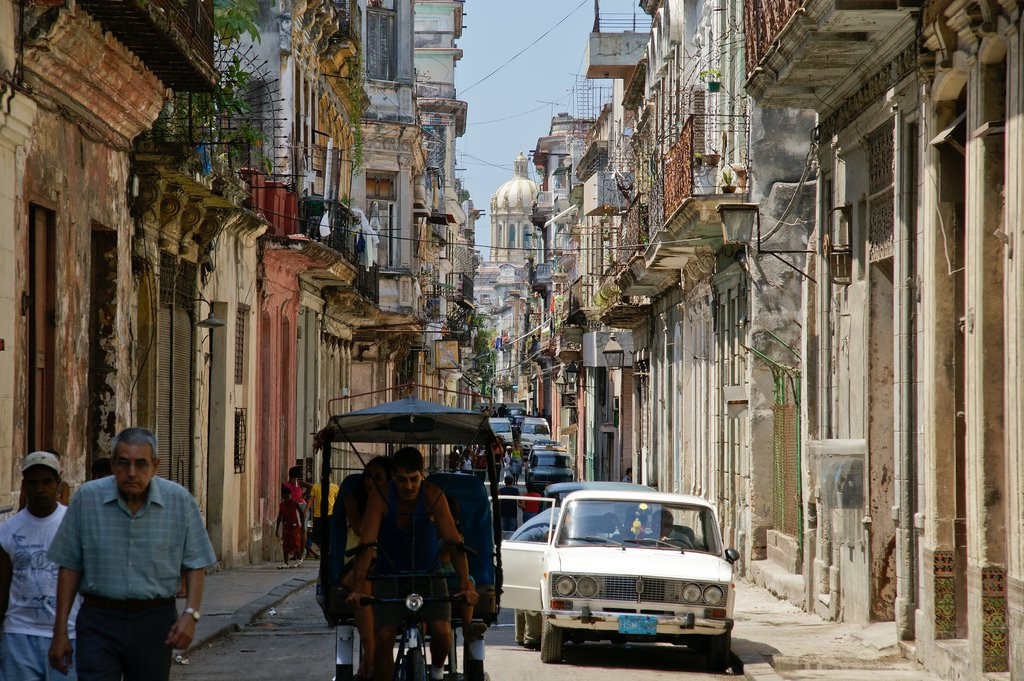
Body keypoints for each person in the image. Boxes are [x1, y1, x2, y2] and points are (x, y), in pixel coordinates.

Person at [47, 427, 216, 681]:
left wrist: (190, 615)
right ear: (113, 463)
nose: (131, 473)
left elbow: (195, 564)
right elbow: (69, 566)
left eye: (141, 464)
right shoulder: (88, 499)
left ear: (155, 465)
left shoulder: (179, 502)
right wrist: (60, 632)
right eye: (124, 463)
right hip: (98, 620)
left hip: (155, 621)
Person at [346, 448, 477, 681]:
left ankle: (436, 672)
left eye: (414, 479)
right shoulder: (381, 497)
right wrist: (357, 587)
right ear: (393, 478)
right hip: (389, 575)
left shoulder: (433, 496)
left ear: (422, 475)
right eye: (402, 480)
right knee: (384, 635)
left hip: (430, 574)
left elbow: (454, 543)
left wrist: (466, 584)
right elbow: (366, 544)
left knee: (443, 632)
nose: (408, 486)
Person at [0, 452, 82, 681]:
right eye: (33, 483)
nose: (40, 489)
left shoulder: (74, 525)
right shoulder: (8, 530)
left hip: (68, 633)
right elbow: (3, 588)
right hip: (19, 634)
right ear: (24, 484)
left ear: (58, 484)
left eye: (46, 482)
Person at [341, 456, 391, 681]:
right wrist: (375, 503)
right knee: (364, 588)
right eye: (368, 477)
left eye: (378, 477)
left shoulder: (394, 502)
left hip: (385, 562)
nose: (371, 482)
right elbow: (361, 529)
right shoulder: (353, 500)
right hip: (356, 560)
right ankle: (370, 655)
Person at [306, 478, 340, 559]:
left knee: (329, 533)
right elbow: (311, 499)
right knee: (316, 536)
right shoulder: (316, 486)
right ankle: (324, 550)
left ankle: (328, 552)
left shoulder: (335, 487)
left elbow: (338, 501)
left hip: (330, 514)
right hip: (318, 515)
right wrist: (305, 511)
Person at [276, 484, 306, 568]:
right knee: (285, 544)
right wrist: (277, 529)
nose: (287, 499)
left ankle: (299, 559)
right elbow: (280, 516)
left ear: (290, 495)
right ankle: (285, 562)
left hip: (295, 526)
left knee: (295, 543)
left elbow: (302, 514)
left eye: (288, 497)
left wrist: (303, 527)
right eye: (285, 497)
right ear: (282, 497)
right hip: (287, 527)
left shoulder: (295, 503)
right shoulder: (282, 505)